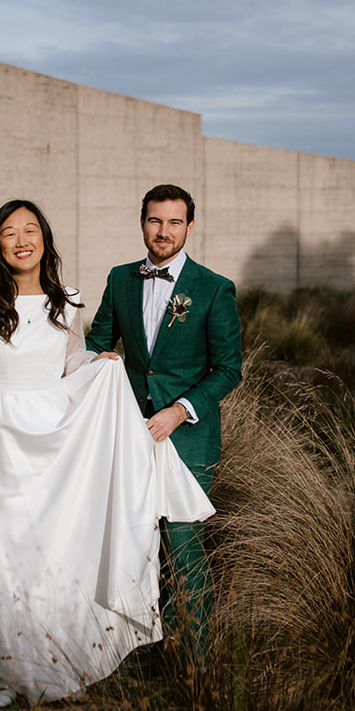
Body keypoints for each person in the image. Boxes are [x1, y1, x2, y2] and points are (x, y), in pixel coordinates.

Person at [0, 198, 213, 707]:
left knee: (48, 552)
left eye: (31, 230)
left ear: (45, 239)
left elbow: (72, 364)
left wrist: (101, 363)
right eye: (9, 232)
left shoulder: (67, 300)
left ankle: (56, 659)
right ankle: (7, 673)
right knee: (0, 554)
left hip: (54, 435)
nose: (22, 240)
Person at [86, 184, 242, 650]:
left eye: (175, 222)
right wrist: (99, 363)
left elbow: (229, 369)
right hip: (128, 432)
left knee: (183, 543)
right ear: (142, 223)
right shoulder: (120, 279)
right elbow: (98, 341)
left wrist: (179, 411)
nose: (164, 231)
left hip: (188, 437)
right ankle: (136, 647)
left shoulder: (214, 289)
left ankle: (197, 664)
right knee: (134, 542)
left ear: (189, 227)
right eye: (155, 221)